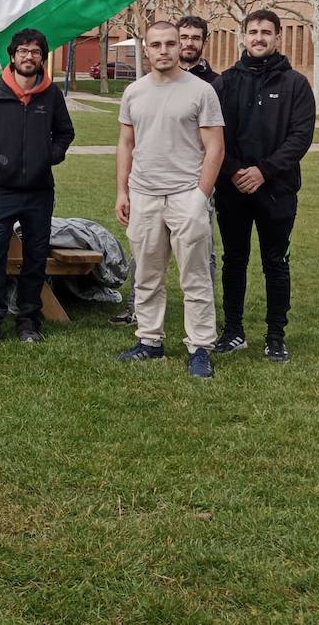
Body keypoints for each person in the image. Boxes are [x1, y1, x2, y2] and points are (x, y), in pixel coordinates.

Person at [115, 20, 224, 378]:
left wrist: (200, 196)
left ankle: (199, 347)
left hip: (185, 195)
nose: (163, 50)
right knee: (147, 273)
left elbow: (215, 148)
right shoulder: (134, 93)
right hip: (144, 194)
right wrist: (122, 190)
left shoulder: (201, 92)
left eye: (170, 44)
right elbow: (126, 144)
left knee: (195, 276)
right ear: (145, 49)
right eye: (156, 44)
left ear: (180, 47)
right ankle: (149, 341)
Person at [211, 8, 315, 363]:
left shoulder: (296, 84)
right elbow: (212, 136)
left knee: (276, 263)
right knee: (234, 260)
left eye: (266, 32)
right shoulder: (224, 83)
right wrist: (236, 171)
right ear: (242, 37)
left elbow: (300, 137)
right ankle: (233, 331)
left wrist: (264, 171)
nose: (258, 37)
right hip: (232, 189)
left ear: (277, 37)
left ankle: (275, 335)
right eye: (252, 31)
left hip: (277, 190)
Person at [0, 28, 75, 347]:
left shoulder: (51, 95)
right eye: (23, 51)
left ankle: (28, 322)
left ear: (42, 57)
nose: (29, 56)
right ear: (12, 56)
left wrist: (49, 156)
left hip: (40, 191)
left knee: (35, 258)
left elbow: (65, 133)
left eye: (35, 51)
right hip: (2, 190)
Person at [177, 14, 218, 84]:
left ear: (204, 43)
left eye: (196, 38)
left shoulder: (218, 83)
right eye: (184, 37)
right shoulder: (161, 80)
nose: (189, 43)